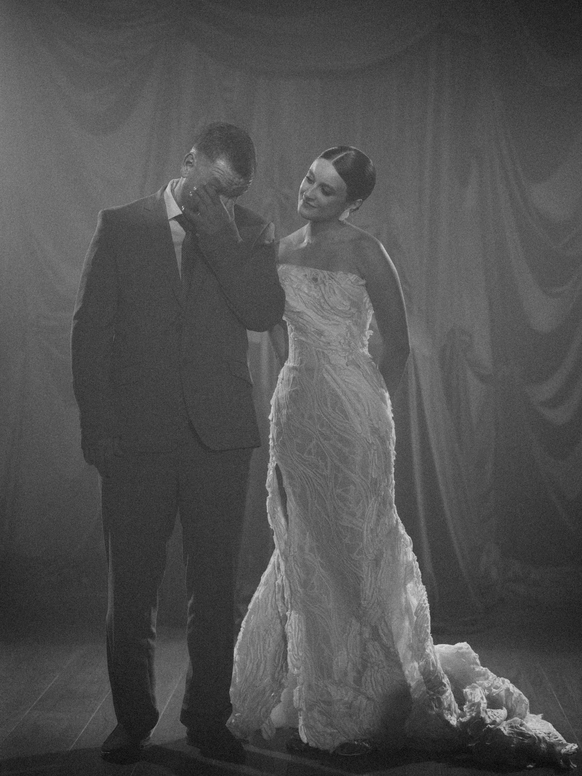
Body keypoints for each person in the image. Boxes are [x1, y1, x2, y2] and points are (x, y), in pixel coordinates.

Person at [227, 147, 578, 768]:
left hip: (356, 414)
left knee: (358, 545)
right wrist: (300, 376)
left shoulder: (367, 251)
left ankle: (367, 695)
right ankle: (314, 687)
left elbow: (397, 342)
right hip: (296, 410)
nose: (310, 192)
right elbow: (275, 324)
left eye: (328, 190)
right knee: (303, 542)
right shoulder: (280, 248)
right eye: (309, 179)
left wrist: (366, 403)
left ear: (354, 203)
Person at [71, 122, 285, 764]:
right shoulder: (122, 225)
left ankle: (207, 718)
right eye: (212, 186)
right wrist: (97, 427)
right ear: (187, 161)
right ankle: (132, 721)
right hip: (134, 439)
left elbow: (261, 312)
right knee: (131, 591)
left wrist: (219, 237)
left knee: (215, 591)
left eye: (232, 193)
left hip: (219, 441)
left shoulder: (251, 231)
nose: (219, 201)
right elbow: (90, 331)